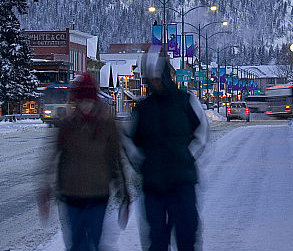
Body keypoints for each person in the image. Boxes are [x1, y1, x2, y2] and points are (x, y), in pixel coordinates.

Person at [38, 72, 130, 251]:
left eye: (89, 101)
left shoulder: (106, 125)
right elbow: (51, 157)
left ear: (95, 101)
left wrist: (123, 192)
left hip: (98, 195)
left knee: (95, 242)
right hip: (71, 195)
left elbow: (116, 159)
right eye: (82, 101)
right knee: (77, 244)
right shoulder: (66, 125)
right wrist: (45, 188)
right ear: (77, 102)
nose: (86, 105)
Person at [130, 50, 208, 251]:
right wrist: (142, 162)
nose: (155, 83)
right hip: (153, 186)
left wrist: (186, 155)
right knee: (156, 240)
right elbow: (131, 142)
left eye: (158, 77)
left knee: (186, 235)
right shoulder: (143, 109)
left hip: (182, 182)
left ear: (165, 76)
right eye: (152, 79)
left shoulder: (185, 101)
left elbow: (201, 131)